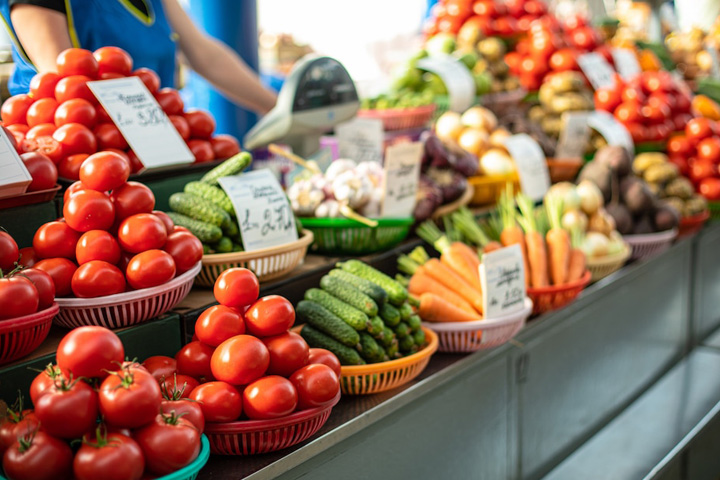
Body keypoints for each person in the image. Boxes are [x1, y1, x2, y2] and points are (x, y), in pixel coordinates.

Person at [0, 0, 277, 115]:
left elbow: (204, 54)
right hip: (74, 164)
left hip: (151, 146)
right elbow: (67, 87)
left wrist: (279, 109)